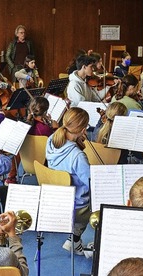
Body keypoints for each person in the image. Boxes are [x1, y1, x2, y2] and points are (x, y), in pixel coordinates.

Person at [45, 107, 92, 257]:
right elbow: (91, 183)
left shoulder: (51, 140)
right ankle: (75, 237)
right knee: (102, 199)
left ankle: (74, 240)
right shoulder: (77, 156)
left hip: (55, 196)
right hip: (77, 205)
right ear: (83, 129)